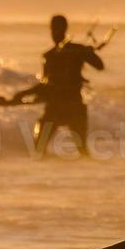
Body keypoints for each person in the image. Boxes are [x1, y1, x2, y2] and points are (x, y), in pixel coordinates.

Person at [23, 15, 105, 157]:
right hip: (59, 107)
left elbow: (99, 65)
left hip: (70, 107)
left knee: (81, 151)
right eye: (54, 29)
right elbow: (45, 84)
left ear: (64, 29)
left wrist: (88, 52)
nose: (55, 32)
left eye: (58, 29)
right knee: (39, 150)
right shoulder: (50, 55)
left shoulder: (75, 51)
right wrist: (24, 95)